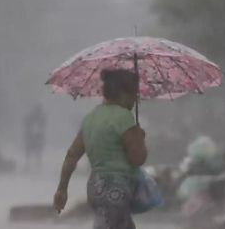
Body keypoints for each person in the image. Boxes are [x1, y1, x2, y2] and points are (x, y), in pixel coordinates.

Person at [53, 69, 148, 229]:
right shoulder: (124, 117)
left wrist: (62, 189)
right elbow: (137, 158)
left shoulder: (91, 118)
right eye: (135, 94)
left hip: (95, 187)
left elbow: (72, 155)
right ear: (124, 93)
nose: (136, 100)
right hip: (118, 188)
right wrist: (139, 138)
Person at [24, 104, 47, 171]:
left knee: (37, 152)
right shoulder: (31, 117)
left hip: (37, 137)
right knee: (31, 151)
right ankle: (29, 165)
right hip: (32, 137)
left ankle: (36, 165)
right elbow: (26, 124)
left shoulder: (41, 118)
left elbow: (43, 126)